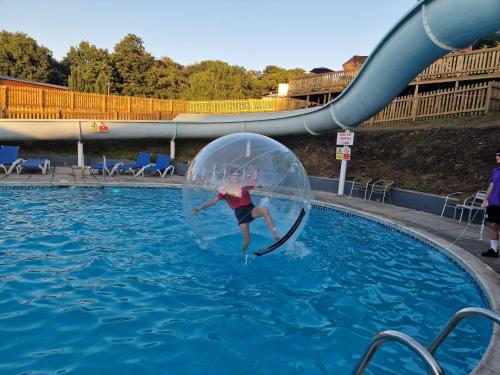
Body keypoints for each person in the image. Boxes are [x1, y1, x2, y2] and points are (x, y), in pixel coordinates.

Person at [193, 168, 280, 256]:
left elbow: (256, 185)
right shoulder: (225, 190)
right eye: (234, 175)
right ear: (229, 177)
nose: (236, 176)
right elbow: (213, 201)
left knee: (265, 211)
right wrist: (200, 208)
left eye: (238, 175)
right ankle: (243, 253)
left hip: (251, 208)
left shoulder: (243, 185)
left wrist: (262, 184)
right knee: (247, 240)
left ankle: (275, 236)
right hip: (240, 214)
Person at [480, 148, 500, 258]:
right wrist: (484, 200)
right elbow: (491, 187)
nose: (496, 157)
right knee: (493, 226)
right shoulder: (495, 171)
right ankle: (493, 250)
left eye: (499, 155)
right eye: (496, 155)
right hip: (493, 204)